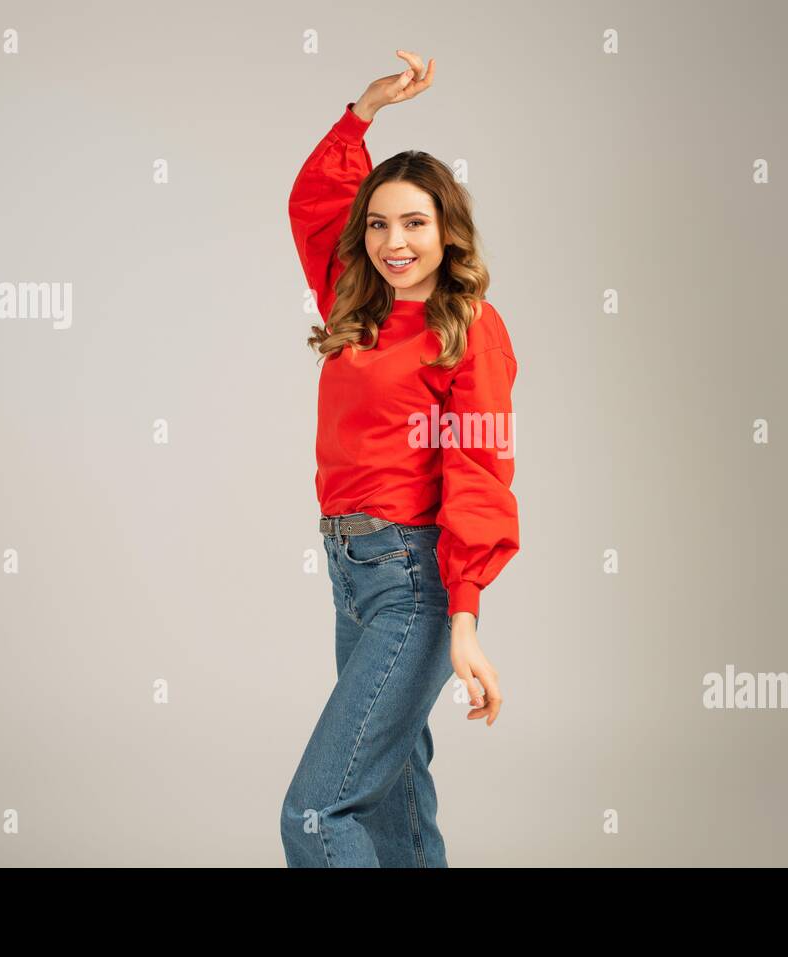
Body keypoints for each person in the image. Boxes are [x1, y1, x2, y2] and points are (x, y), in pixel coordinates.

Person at [279, 50, 520, 867]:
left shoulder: (468, 328)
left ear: (447, 230)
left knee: (317, 812)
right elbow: (312, 202)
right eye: (378, 223)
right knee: (390, 799)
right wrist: (365, 111)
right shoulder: (355, 303)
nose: (394, 241)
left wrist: (465, 619)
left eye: (415, 222)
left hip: (412, 583)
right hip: (352, 575)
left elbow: (480, 474)